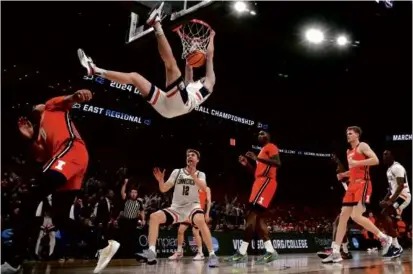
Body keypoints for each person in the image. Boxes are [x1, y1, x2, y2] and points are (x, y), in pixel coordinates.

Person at [1, 90, 117, 274]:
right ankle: (103, 244)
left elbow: (70, 100)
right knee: (60, 218)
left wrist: (78, 95)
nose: (35, 106)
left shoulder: (50, 106)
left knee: (30, 196)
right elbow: (41, 157)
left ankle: (15, 259)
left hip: (71, 150)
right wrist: (31, 137)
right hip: (70, 162)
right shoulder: (41, 133)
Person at [77, 2, 216, 119]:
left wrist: (211, 36)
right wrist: (181, 34)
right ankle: (95, 70)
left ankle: (156, 23)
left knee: (171, 66)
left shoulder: (209, 84)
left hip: (181, 105)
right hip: (168, 106)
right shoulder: (191, 85)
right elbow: (188, 64)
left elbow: (209, 57)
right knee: (135, 77)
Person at [322, 126, 392, 263]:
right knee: (342, 217)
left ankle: (384, 237)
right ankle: (336, 252)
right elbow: (353, 170)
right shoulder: (348, 151)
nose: (347, 135)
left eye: (350, 133)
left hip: (363, 184)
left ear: (357, 135)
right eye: (347, 133)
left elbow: (375, 160)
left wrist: (357, 162)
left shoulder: (363, 146)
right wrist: (344, 174)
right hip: (352, 186)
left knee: (356, 216)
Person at [149, 149, 218, 267]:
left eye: (193, 155)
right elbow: (164, 189)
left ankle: (212, 255)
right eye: (188, 155)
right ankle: (151, 252)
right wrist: (160, 181)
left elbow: (203, 188)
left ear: (197, 160)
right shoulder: (177, 172)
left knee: (200, 221)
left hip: (192, 207)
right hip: (176, 208)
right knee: (154, 217)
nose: (190, 156)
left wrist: (193, 175)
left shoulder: (201, 174)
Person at [226, 130, 281, 264]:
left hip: (266, 182)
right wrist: (247, 164)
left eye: (263, 133)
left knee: (251, 215)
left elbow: (277, 163)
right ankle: (271, 251)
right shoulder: (262, 151)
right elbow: (256, 173)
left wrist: (257, 158)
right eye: (258, 134)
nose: (260, 135)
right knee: (258, 220)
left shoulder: (271, 147)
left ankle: (242, 252)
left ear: (268, 136)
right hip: (259, 183)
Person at [317, 154, 352, 260]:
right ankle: (345, 251)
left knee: (336, 223)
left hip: (354, 203)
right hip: (350, 203)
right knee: (342, 227)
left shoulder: (348, 175)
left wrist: (338, 161)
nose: (337, 170)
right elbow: (341, 171)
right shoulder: (342, 177)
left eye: (338, 168)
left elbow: (342, 170)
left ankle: (334, 250)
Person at [380, 150, 411, 257]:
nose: (384, 158)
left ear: (392, 156)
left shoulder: (398, 167)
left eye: (387, 155)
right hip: (396, 197)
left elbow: (401, 186)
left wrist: (390, 201)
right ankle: (395, 244)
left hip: (404, 196)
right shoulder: (388, 170)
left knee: (387, 214)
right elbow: (391, 189)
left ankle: (397, 246)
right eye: (383, 156)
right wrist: (384, 200)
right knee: (385, 214)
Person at [168, 186, 212, 261]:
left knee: (195, 232)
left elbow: (208, 201)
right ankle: (179, 252)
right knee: (180, 230)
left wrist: (207, 213)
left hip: (198, 213)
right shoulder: (192, 187)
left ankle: (200, 253)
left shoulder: (206, 188)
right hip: (188, 212)